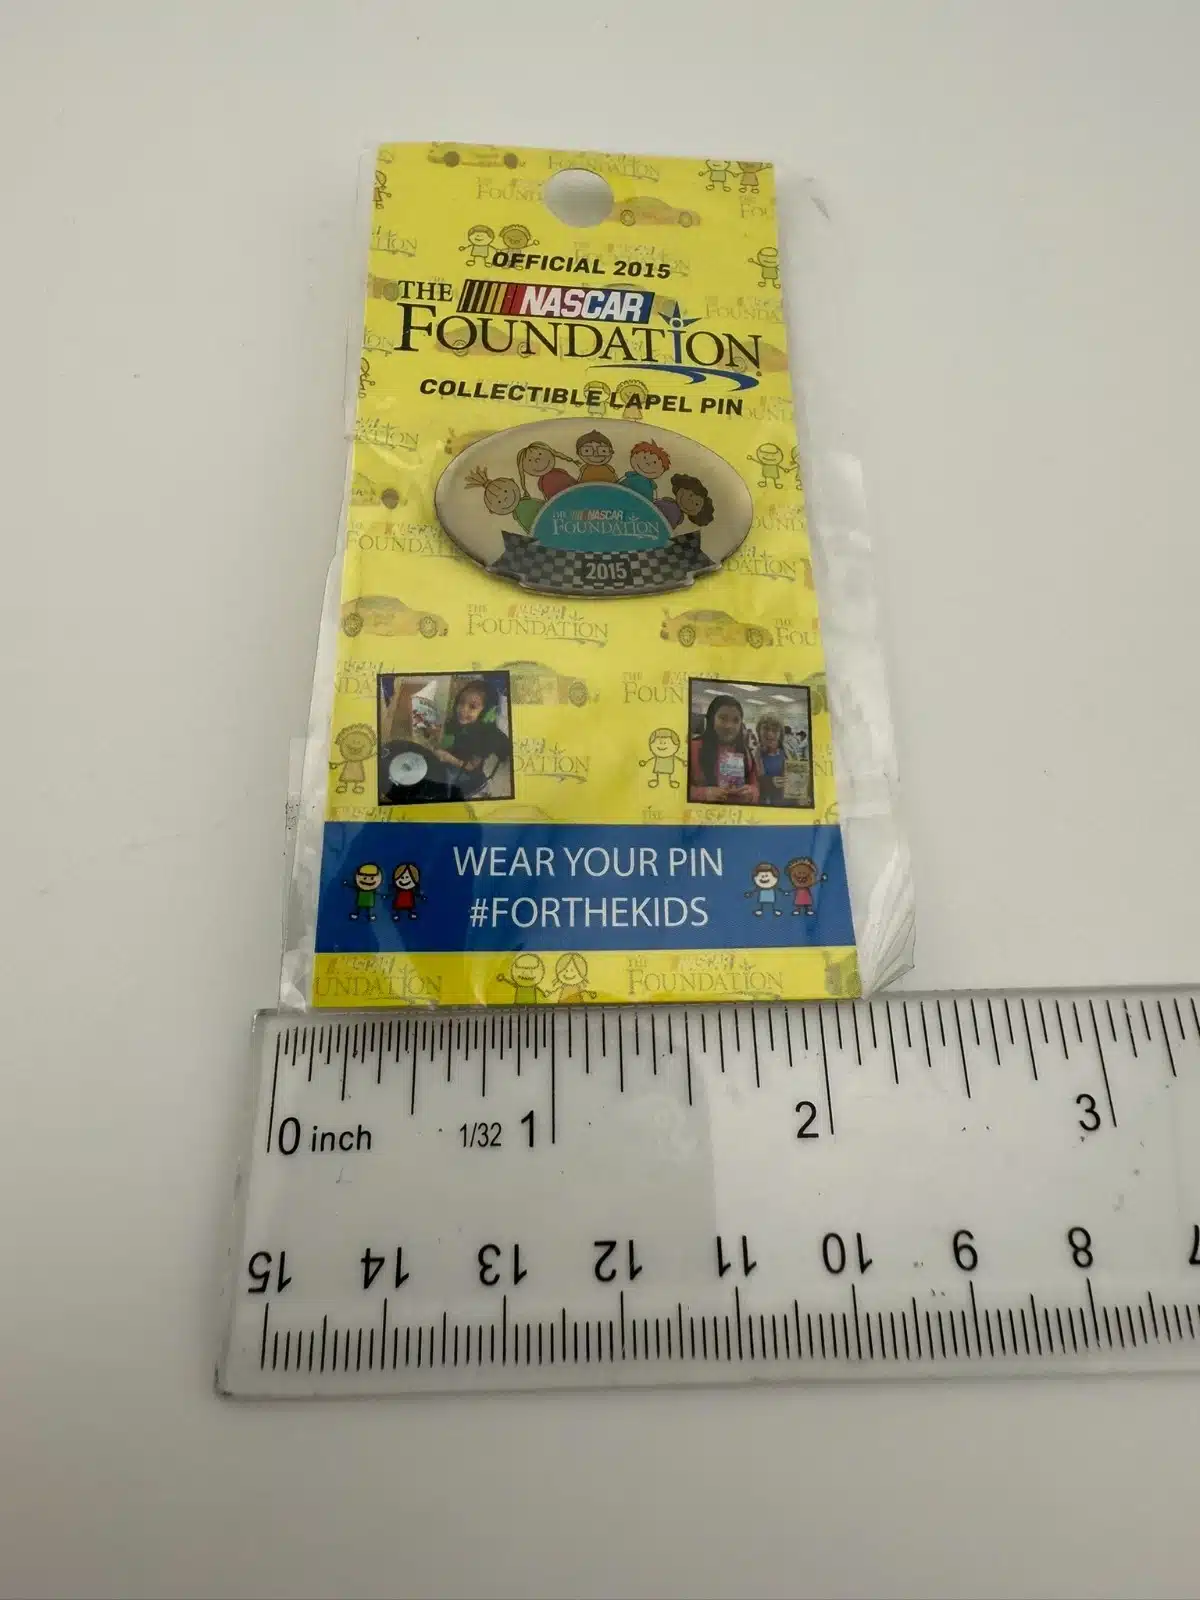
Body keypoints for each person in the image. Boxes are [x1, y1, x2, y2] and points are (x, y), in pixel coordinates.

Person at [688, 693, 759, 804]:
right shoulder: (692, 748)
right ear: (712, 719)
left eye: (736, 720)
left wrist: (751, 793)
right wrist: (703, 793)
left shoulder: (745, 752)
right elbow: (675, 788)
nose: (729, 726)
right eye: (723, 718)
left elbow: (755, 785)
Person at [433, 679, 502, 781]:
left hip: (466, 771)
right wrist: (437, 733)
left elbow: (471, 766)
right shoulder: (458, 720)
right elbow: (448, 738)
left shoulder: (487, 738)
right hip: (454, 754)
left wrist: (447, 758)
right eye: (461, 702)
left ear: (485, 713)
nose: (463, 710)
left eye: (472, 707)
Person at [754, 713, 787, 806]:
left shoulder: (787, 755)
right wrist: (769, 782)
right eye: (766, 728)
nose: (770, 733)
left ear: (780, 734)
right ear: (759, 731)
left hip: (783, 804)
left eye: (775, 730)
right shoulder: (752, 756)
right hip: (761, 803)